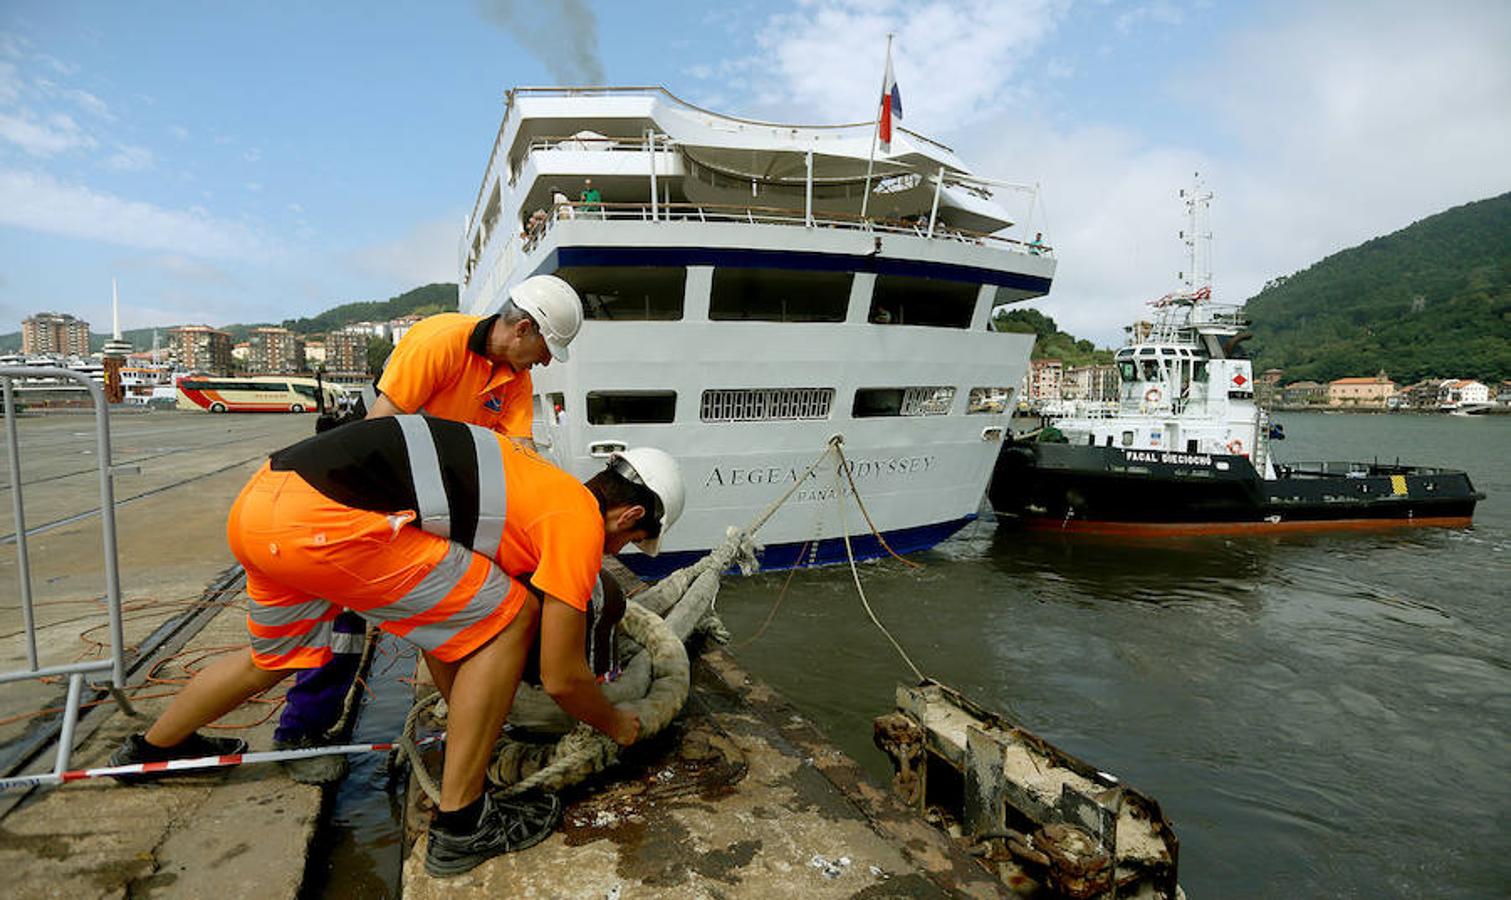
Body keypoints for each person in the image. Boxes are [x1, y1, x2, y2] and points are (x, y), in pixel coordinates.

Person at [111, 416, 686, 879]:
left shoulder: (533, 486)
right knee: (513, 616)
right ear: (630, 513)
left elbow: (446, 632)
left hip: (263, 508)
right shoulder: (577, 520)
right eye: (632, 539)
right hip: (324, 521)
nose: (621, 551)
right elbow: (562, 675)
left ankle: (148, 750)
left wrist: (472, 717)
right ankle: (462, 828)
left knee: (268, 661)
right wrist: (617, 725)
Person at [271, 275, 586, 784]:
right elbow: (380, 427)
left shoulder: (514, 379)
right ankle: (300, 731)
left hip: (441, 503)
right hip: (379, 495)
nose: (546, 362)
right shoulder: (438, 342)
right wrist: (380, 527)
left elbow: (521, 456)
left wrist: (557, 512)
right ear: (523, 328)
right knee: (344, 621)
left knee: (455, 611)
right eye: (546, 348)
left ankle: (470, 712)